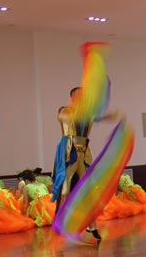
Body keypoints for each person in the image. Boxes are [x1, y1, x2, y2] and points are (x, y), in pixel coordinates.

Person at [52, 86, 122, 240]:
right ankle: (60, 221)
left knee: (86, 191)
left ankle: (92, 226)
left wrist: (110, 116)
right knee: (65, 189)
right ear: (72, 97)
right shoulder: (64, 111)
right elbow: (72, 118)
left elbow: (97, 117)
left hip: (83, 154)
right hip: (69, 153)